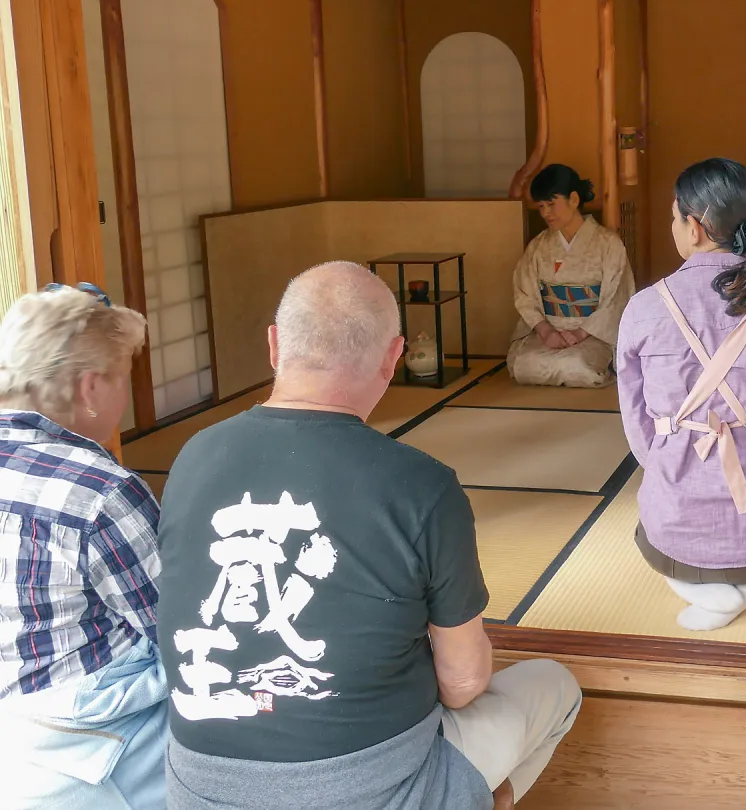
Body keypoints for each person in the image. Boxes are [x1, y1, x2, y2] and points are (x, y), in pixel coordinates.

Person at [157, 262, 580, 810]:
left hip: (198, 792)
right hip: (381, 791)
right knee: (554, 684)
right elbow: (463, 684)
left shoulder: (192, 456)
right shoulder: (420, 485)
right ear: (394, 356)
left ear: (274, 345)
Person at [616, 159, 746, 631]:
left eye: (674, 217)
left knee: (655, 541)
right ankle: (744, 586)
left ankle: (711, 590)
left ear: (693, 227)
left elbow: (638, 425)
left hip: (672, 532)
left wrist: (668, 465)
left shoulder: (643, 308)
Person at [0, 283, 165, 810]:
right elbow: (176, 627)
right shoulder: (98, 490)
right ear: (92, 387)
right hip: (86, 739)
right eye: (124, 378)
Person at [508, 164, 635, 388]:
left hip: (593, 334)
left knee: (577, 365)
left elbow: (617, 298)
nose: (545, 213)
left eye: (551, 204)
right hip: (548, 333)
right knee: (523, 365)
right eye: (541, 206)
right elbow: (524, 293)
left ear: (574, 200)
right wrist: (546, 331)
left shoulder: (608, 244)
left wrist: (579, 333)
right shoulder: (538, 246)